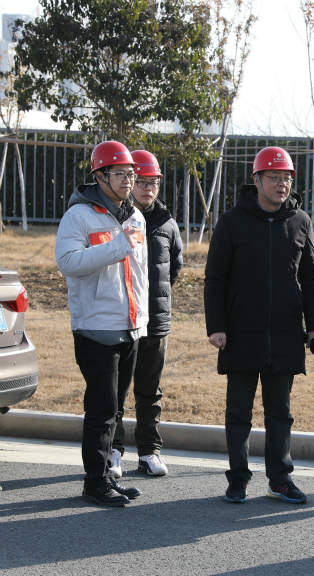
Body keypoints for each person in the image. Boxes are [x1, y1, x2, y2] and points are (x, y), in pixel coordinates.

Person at [204, 146, 314, 504]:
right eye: (274, 177)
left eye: (286, 178)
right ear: (256, 180)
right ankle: (238, 479)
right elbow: (215, 278)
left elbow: (311, 279)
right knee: (238, 411)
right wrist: (216, 326)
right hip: (241, 331)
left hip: (285, 332)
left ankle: (280, 479)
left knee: (280, 413)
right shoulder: (232, 222)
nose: (281, 184)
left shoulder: (300, 221)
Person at [55, 140, 148, 507]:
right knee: (101, 408)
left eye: (131, 174)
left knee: (116, 408)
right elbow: (68, 263)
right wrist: (115, 247)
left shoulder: (135, 216)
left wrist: (143, 319)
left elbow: (139, 274)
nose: (128, 180)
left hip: (130, 326)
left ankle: (107, 475)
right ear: (100, 175)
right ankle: (94, 481)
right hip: (96, 328)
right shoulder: (79, 216)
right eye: (120, 173)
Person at [111, 149, 183, 478]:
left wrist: (154, 299)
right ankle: (113, 451)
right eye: (141, 181)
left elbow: (173, 268)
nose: (147, 188)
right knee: (116, 390)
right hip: (122, 319)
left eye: (153, 182)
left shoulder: (167, 223)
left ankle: (149, 452)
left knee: (150, 390)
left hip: (155, 320)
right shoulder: (116, 219)